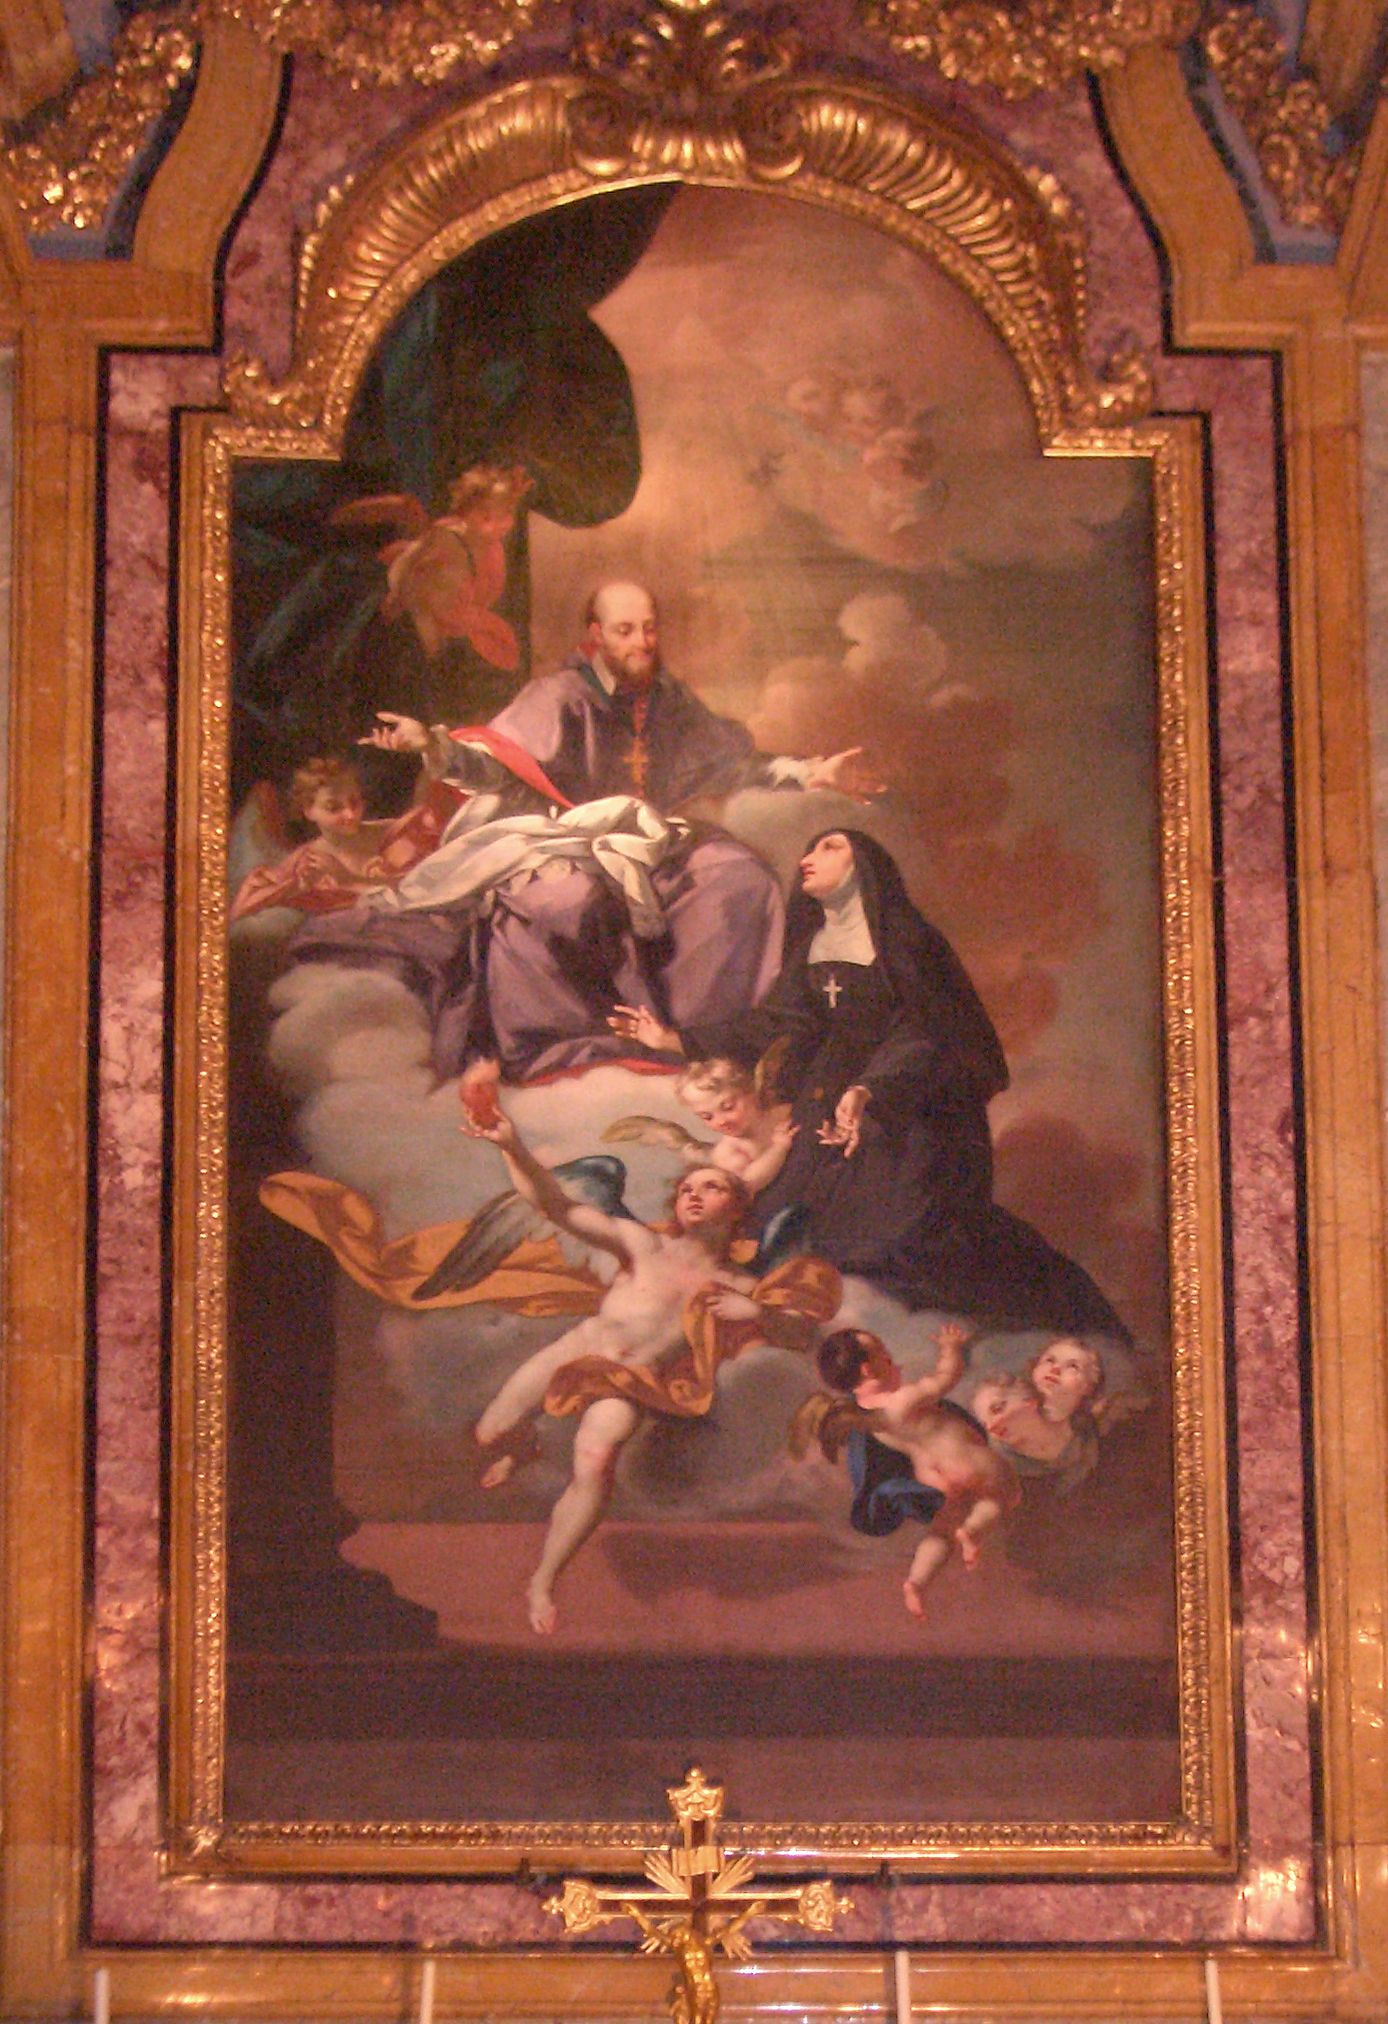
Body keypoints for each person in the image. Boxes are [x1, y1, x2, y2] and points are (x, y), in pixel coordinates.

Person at [612, 828, 1129, 1339]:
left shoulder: (907, 942)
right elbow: (773, 1024)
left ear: (863, 868)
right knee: (795, 1226)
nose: (809, 856)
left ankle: (1041, 1319)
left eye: (829, 847)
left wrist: (870, 1089)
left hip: (908, 1109)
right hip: (828, 1109)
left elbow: (928, 1031)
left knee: (909, 1237)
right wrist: (672, 1039)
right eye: (810, 846)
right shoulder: (815, 945)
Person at [360, 580, 884, 1079]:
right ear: (595, 636)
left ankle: (698, 1042)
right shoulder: (557, 697)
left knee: (743, 880)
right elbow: (491, 767)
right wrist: (434, 747)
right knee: (566, 902)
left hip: (649, 838)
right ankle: (568, 1051)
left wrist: (812, 772)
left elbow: (734, 766)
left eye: (649, 628)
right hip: (560, 839)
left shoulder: (668, 700)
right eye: (625, 630)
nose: (642, 642)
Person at [460, 1103, 841, 1633]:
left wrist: (757, 1313)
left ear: (737, 1208)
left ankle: (543, 1579)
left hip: (632, 1382)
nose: (693, 1195)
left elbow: (801, 1335)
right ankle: (522, 1445)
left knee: (596, 1456)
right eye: (687, 1189)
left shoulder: (739, 1285)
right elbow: (554, 1204)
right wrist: (510, 1145)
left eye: (711, 1187)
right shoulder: (644, 1245)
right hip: (577, 1351)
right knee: (490, 1432)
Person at [799, 1324, 1019, 1613]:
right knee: (1002, 1492)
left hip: (933, 1478)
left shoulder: (869, 1421)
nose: (893, 1359)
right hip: (964, 1460)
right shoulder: (903, 1399)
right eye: (885, 1356)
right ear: (867, 1370)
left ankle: (916, 1582)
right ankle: (972, 1530)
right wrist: (950, 1348)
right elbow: (946, 1377)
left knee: (941, 1531)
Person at [229, 754, 460, 923]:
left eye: (354, 802)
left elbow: (425, 886)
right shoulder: (307, 861)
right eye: (334, 807)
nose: (350, 814)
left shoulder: (397, 833)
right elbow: (247, 908)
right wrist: (299, 889)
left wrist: (348, 878)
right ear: (309, 811)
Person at [602, 1052, 797, 1196]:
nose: (721, 1121)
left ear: (751, 1093)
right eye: (707, 1117)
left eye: (728, 1107)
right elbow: (749, 1184)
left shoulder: (780, 1112)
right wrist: (779, 1149)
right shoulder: (729, 1152)